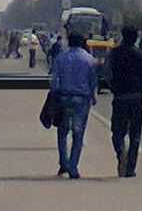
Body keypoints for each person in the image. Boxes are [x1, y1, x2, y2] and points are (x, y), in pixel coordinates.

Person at [106, 26, 142, 177]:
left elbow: (106, 74)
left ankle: (121, 152)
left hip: (120, 97)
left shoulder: (113, 53)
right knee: (135, 135)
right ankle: (130, 168)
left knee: (117, 132)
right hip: (137, 98)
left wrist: (113, 86)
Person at [49, 32, 97, 179]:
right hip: (81, 100)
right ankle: (73, 167)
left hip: (63, 97)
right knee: (78, 133)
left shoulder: (61, 57)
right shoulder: (89, 59)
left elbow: (54, 79)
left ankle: (63, 162)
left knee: (62, 131)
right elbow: (93, 81)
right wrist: (93, 96)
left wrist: (55, 93)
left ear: (69, 42)